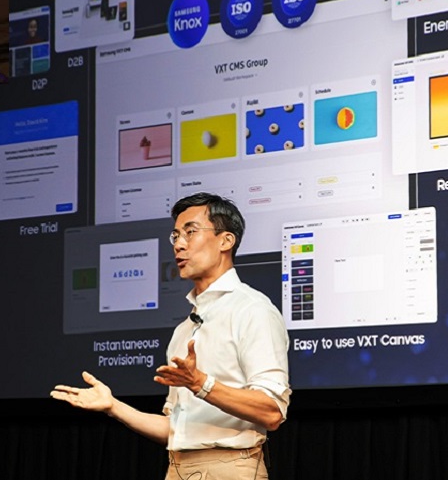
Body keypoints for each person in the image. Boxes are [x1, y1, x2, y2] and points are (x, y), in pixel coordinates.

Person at [52, 192, 290, 479]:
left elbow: (272, 412)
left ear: (226, 241)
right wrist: (113, 407)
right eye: (175, 235)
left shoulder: (253, 310)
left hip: (231, 467)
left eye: (190, 232)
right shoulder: (183, 331)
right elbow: (175, 430)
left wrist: (201, 384)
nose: (179, 244)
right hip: (177, 467)